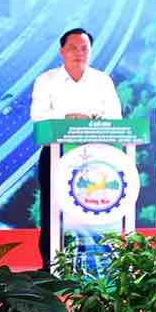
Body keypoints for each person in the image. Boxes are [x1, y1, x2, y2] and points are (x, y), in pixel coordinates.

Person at [29, 27, 123, 266]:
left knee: (92, 209)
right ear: (62, 51)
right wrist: (68, 116)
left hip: (96, 158)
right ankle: (51, 268)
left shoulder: (102, 80)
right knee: (52, 212)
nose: (78, 53)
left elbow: (116, 117)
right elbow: (38, 116)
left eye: (84, 48)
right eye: (72, 47)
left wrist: (89, 117)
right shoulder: (46, 80)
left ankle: (94, 266)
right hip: (56, 153)